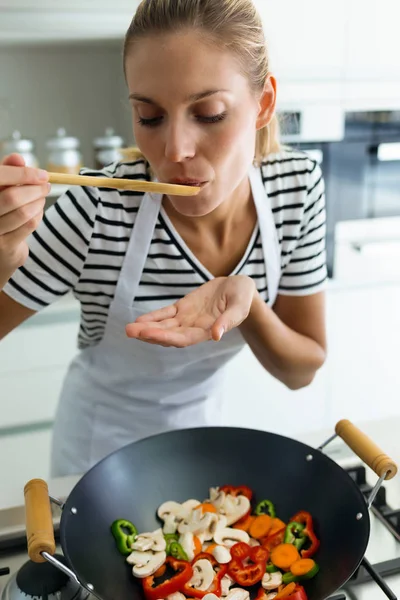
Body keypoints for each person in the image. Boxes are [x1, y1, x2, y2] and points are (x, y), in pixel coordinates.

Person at [0, 0, 327, 477]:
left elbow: (302, 371)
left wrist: (247, 304)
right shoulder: (99, 210)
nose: (175, 151)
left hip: (204, 439)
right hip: (96, 457)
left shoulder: (294, 189)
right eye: (150, 117)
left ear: (264, 103)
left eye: (210, 113)